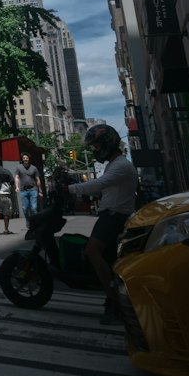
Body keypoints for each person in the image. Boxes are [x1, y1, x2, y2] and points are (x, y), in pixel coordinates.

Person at [66, 123, 138, 324]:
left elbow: (98, 184)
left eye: (96, 146)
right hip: (113, 215)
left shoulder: (120, 166)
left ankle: (113, 299)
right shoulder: (115, 164)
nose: (95, 150)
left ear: (107, 144)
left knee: (92, 251)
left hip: (114, 217)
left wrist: (70, 189)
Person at [16, 153, 43, 221]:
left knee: (34, 208)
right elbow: (16, 177)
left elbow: (38, 179)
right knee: (25, 208)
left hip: (33, 189)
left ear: (29, 159)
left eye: (27, 158)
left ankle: (35, 222)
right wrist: (17, 187)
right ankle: (28, 221)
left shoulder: (34, 168)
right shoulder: (19, 168)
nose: (25, 159)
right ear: (22, 159)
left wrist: (40, 191)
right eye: (24, 158)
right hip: (23, 190)